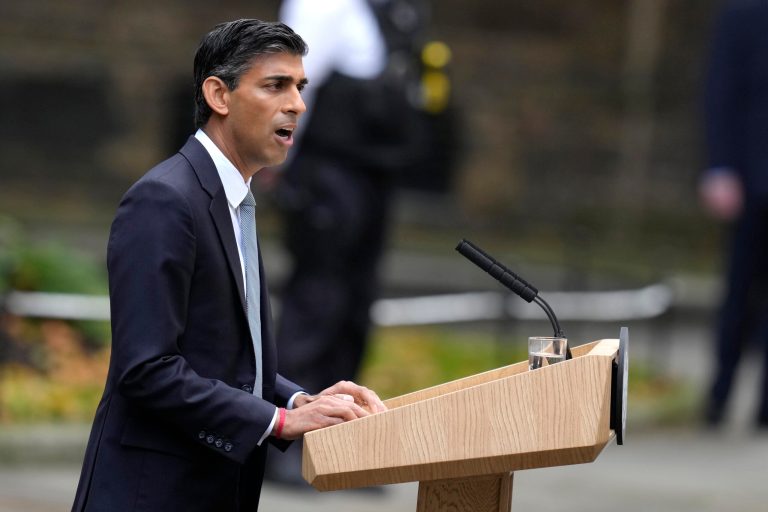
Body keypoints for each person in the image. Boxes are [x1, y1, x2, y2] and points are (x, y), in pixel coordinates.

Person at [71, 19, 386, 512]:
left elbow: (226, 358)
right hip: (151, 493)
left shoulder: (235, 197)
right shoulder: (164, 199)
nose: (298, 105)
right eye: (275, 85)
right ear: (219, 95)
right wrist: (278, 423)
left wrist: (298, 402)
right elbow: (148, 369)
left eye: (300, 87)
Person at [263, 0, 429, 485]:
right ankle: (282, 446)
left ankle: (342, 446)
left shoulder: (393, 10)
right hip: (327, 172)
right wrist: (277, 157)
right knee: (316, 301)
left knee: (355, 306)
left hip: (372, 172)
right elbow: (289, 81)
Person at [699, 0, 768, 429]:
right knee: (738, 294)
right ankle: (719, 395)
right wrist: (720, 167)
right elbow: (721, 90)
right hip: (749, 179)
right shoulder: (743, 14)